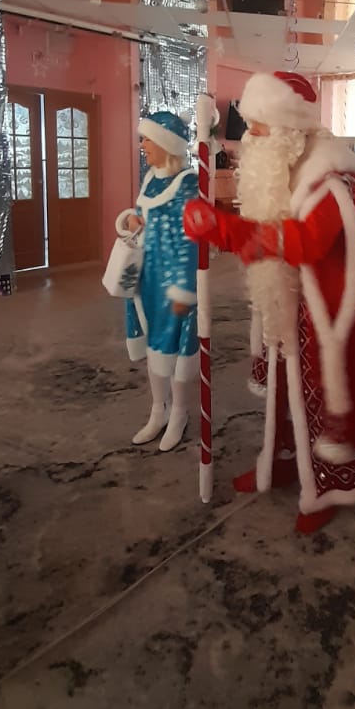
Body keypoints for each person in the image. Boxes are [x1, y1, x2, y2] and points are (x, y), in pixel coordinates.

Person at [183, 71, 355, 535]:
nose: (250, 135)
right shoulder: (283, 163)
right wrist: (218, 224)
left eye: (259, 124)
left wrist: (226, 230)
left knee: (322, 395)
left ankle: (329, 485)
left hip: (325, 308)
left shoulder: (331, 179)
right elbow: (267, 228)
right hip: (287, 299)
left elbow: (307, 242)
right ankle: (283, 459)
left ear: (289, 127)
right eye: (250, 123)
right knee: (286, 392)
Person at [117, 110, 199, 452]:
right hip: (147, 278)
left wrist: (184, 291)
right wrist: (132, 222)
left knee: (175, 349)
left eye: (147, 139)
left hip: (175, 282)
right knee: (153, 345)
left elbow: (190, 240)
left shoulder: (188, 183)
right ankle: (158, 411)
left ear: (166, 143)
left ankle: (179, 413)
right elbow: (142, 218)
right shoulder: (150, 178)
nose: (142, 145)